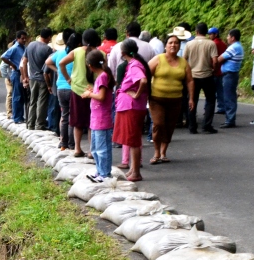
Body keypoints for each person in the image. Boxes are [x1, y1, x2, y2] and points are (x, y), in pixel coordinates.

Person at [147, 34, 193, 163]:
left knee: (169, 126)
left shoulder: (183, 62)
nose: (173, 45)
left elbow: (189, 81)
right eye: (170, 43)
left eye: (176, 43)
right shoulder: (158, 59)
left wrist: (191, 98)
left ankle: (163, 152)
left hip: (175, 99)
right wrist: (144, 92)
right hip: (157, 99)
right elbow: (145, 74)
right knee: (158, 124)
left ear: (179, 46)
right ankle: (156, 152)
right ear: (165, 46)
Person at [113, 39, 149, 182]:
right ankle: (133, 169)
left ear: (122, 53)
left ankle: (136, 172)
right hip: (130, 106)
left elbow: (143, 80)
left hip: (132, 106)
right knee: (131, 138)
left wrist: (136, 94)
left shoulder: (134, 65)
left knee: (133, 139)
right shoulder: (133, 64)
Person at [61, 29, 100, 156]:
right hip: (94, 91)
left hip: (77, 89)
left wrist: (68, 78)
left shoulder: (76, 51)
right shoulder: (100, 54)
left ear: (83, 40)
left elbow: (61, 63)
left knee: (77, 121)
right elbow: (104, 71)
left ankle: (77, 148)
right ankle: (91, 151)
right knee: (91, 122)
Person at [81, 49, 115, 182]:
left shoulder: (103, 76)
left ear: (90, 66)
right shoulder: (101, 77)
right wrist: (91, 91)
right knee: (95, 148)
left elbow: (101, 96)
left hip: (102, 119)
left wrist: (90, 94)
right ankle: (99, 171)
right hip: (96, 119)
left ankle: (105, 174)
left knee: (102, 149)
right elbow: (100, 93)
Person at [183, 22, 219, 133]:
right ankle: (207, 125)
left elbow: (184, 60)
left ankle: (192, 126)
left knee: (192, 100)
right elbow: (215, 61)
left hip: (193, 76)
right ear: (206, 32)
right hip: (207, 75)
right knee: (210, 100)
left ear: (196, 32)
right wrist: (213, 69)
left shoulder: (189, 44)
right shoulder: (211, 44)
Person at [50, 32, 80, 150]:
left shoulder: (59, 53)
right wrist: (68, 78)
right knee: (73, 116)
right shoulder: (77, 54)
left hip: (60, 88)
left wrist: (58, 71)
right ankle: (72, 144)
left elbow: (47, 62)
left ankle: (63, 142)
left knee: (64, 115)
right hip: (72, 88)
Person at [21, 27, 54, 130]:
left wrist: (25, 76)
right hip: (43, 79)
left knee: (32, 101)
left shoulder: (30, 45)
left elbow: (24, 62)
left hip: (32, 78)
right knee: (42, 102)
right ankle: (40, 125)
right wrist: (49, 84)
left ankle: (30, 124)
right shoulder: (47, 49)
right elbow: (48, 67)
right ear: (48, 37)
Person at [218, 29, 244, 128]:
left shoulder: (234, 47)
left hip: (230, 74)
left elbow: (220, 58)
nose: (227, 38)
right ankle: (230, 119)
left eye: (228, 36)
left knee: (229, 97)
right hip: (232, 74)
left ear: (233, 37)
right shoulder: (238, 46)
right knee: (230, 95)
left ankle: (230, 120)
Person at [1, 31, 28, 123]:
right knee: (17, 96)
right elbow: (3, 57)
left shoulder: (24, 47)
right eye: (22, 38)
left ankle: (20, 116)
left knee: (23, 96)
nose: (24, 40)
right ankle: (16, 117)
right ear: (17, 39)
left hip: (23, 73)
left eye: (25, 38)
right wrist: (12, 64)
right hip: (16, 73)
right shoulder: (15, 48)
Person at [45, 32, 66, 133]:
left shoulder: (53, 55)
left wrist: (48, 85)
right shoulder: (70, 53)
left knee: (55, 108)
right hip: (66, 85)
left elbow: (45, 71)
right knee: (64, 111)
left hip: (55, 85)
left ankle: (56, 129)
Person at [209, 27, 228, 115]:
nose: (209, 36)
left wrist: (212, 68)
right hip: (221, 69)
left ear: (215, 34)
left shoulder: (213, 44)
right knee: (220, 89)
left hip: (215, 69)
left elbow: (213, 58)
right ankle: (222, 106)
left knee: (211, 91)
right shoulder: (223, 44)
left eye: (210, 34)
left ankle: (211, 108)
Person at [0, 39, 15, 118]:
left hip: (15, 77)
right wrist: (7, 77)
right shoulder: (7, 57)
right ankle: (9, 113)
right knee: (10, 94)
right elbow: (2, 67)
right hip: (9, 78)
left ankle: (15, 112)